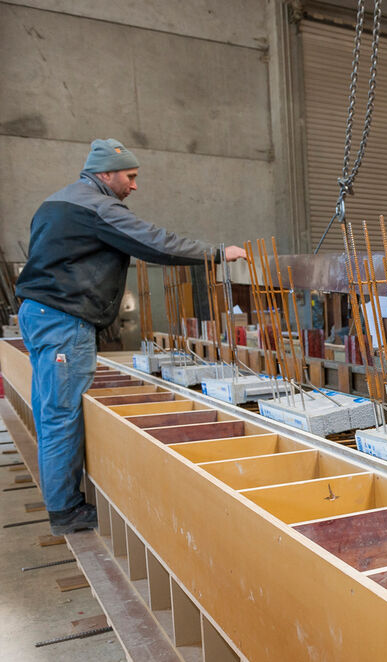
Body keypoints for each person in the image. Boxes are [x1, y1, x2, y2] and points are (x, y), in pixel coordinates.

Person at [15, 139, 246, 536]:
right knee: (60, 415)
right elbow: (154, 242)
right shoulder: (98, 207)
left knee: (50, 409)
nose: (134, 186)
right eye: (130, 176)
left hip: (37, 315)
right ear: (106, 174)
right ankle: (66, 511)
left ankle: (61, 498)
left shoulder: (53, 203)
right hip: (63, 321)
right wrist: (217, 253)